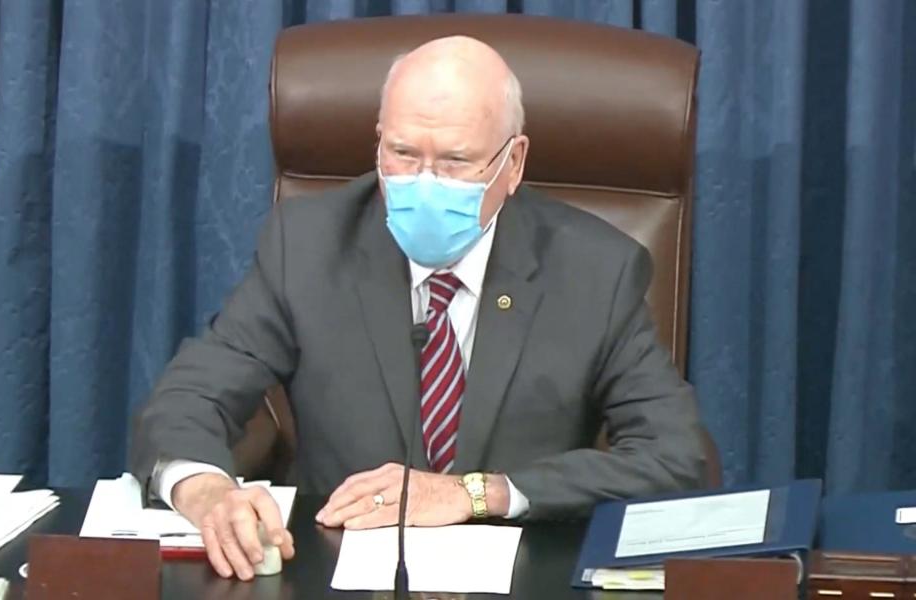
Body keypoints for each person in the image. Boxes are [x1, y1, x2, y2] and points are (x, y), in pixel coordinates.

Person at [130, 35, 707, 581]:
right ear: (377, 140)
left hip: (526, 573)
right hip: (334, 570)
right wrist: (206, 491)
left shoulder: (595, 271)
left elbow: (676, 457)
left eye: (456, 162)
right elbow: (192, 395)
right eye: (402, 153)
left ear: (514, 163)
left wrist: (479, 493)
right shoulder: (305, 245)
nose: (424, 183)